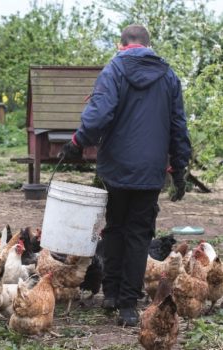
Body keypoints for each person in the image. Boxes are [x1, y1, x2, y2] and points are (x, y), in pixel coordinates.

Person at [60, 24, 191, 326]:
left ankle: (111, 293)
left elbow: (99, 112)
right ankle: (128, 306)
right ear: (148, 45)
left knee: (116, 226)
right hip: (150, 170)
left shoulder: (113, 70)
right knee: (139, 233)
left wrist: (78, 142)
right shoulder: (168, 76)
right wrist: (179, 166)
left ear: (122, 45)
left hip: (116, 167)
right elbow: (178, 126)